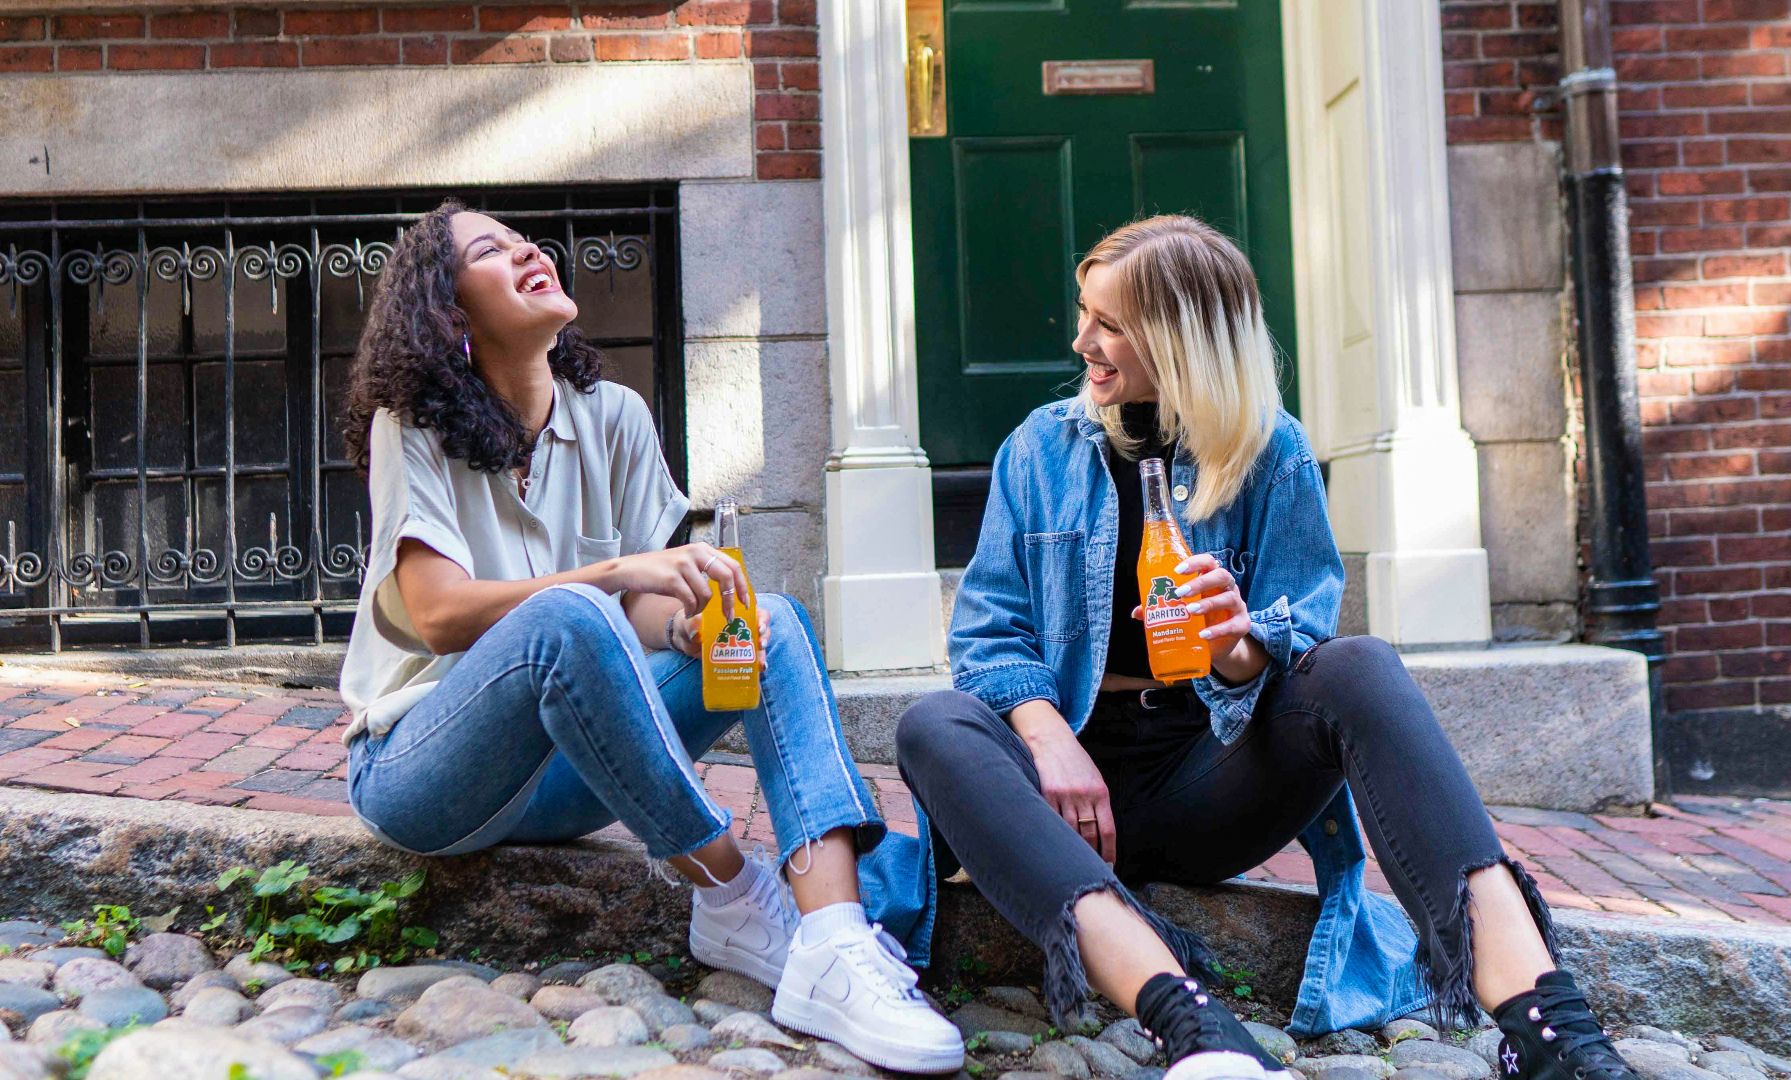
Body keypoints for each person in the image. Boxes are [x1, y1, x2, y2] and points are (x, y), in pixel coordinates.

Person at [896, 215, 1641, 1080]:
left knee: (1360, 666)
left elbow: (1302, 644)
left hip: (1207, 784)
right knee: (933, 723)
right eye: (1083, 313)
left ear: (1181, 339)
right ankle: (1196, 1027)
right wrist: (1045, 732)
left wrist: (1238, 644)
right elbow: (987, 632)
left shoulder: (1271, 452)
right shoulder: (1039, 447)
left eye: (1108, 323)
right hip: (1056, 798)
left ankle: (1556, 1035)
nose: (1081, 340)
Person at [337, 200, 962, 1074]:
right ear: (450, 311)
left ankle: (832, 939)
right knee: (567, 615)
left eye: (527, 241)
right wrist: (613, 576)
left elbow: (638, 614)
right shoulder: (413, 426)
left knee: (769, 620)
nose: (528, 254)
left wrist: (690, 628)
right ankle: (734, 890)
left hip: (576, 767)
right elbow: (440, 612)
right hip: (427, 769)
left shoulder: (613, 416)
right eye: (491, 251)